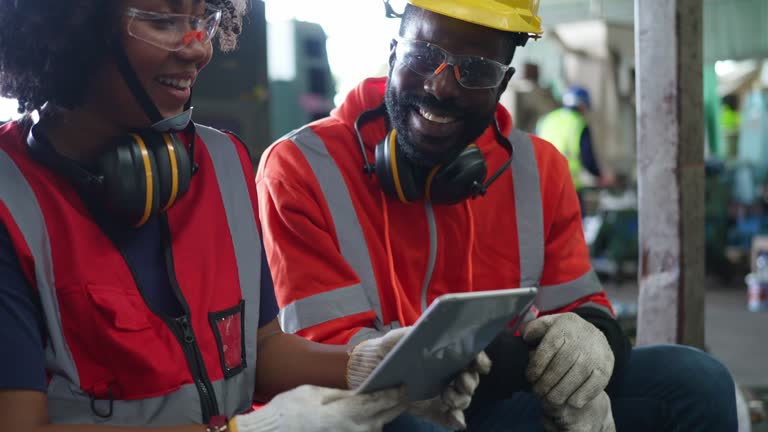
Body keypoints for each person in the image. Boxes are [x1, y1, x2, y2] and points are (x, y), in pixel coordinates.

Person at [0, 1, 487, 431]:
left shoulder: (222, 164)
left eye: (202, 20)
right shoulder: (9, 198)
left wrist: (374, 365)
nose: (197, 48)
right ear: (72, 27)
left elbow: (262, 351)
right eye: (162, 21)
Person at [255, 1, 738, 430]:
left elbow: (582, 306)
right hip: (379, 408)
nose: (441, 86)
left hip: (495, 401)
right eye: (423, 57)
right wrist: (520, 362)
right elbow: (337, 354)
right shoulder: (303, 166)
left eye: (477, 70)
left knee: (697, 380)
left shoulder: (539, 169)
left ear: (504, 82)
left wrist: (589, 344)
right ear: (393, 51)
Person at [536, 85, 613, 195]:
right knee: (576, 212)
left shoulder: (547, 119)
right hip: (568, 185)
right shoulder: (578, 124)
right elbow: (587, 157)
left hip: (543, 183)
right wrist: (600, 175)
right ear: (582, 104)